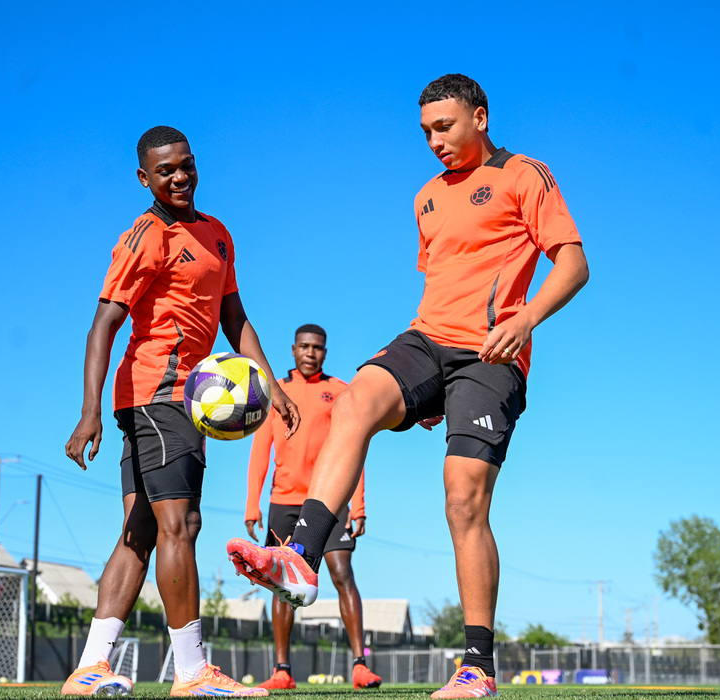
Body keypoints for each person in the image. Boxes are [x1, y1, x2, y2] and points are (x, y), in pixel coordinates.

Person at [226, 74, 589, 699]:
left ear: (480, 117)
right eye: (425, 132)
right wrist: (421, 388)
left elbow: (574, 263)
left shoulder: (524, 175)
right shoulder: (425, 197)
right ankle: (301, 559)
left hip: (490, 353)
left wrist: (526, 319)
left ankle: (476, 668)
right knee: (356, 399)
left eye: (444, 127)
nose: (434, 141)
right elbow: (440, 283)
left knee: (462, 499)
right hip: (426, 341)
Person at [62, 126, 298, 697]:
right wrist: (89, 411)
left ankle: (89, 668)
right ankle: (192, 672)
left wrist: (271, 384)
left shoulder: (218, 234)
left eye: (186, 165)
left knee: (140, 530)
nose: (179, 177)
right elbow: (104, 324)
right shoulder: (146, 236)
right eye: (165, 170)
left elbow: (234, 318)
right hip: (159, 393)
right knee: (182, 524)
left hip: (178, 400)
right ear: (144, 178)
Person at [244, 324, 383, 691]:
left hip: (330, 501)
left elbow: (354, 449)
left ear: (325, 352)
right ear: (293, 349)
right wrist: (252, 505)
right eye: (304, 346)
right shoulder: (275, 392)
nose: (310, 353)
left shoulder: (340, 392)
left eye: (317, 347)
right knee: (280, 583)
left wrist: (358, 504)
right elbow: (260, 451)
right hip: (283, 501)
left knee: (342, 573)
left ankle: (360, 666)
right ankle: (282, 671)